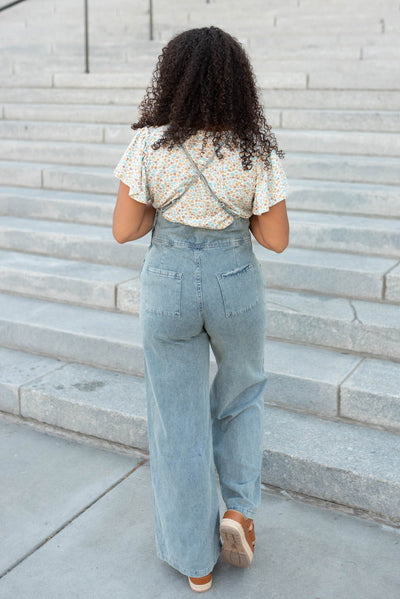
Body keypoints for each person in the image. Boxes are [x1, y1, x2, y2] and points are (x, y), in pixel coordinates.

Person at [112, 25, 289, 593]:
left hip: (168, 279)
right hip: (235, 278)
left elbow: (124, 229)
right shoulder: (253, 147)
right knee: (241, 393)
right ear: (238, 82)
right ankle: (237, 512)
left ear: (172, 78)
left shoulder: (148, 143)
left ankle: (196, 562)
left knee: (177, 420)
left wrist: (167, 213)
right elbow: (276, 238)